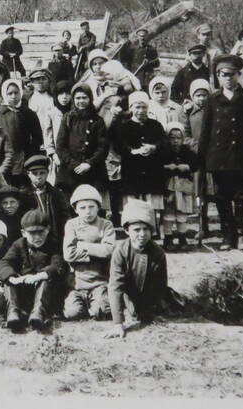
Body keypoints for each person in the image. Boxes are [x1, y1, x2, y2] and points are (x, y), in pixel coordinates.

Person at [198, 55, 243, 251]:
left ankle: (242, 234)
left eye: (231, 74)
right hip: (218, 158)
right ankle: (228, 234)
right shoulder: (212, 100)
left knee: (241, 197)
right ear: (218, 76)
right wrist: (202, 159)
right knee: (222, 197)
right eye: (223, 75)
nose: (227, 78)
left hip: (241, 157)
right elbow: (205, 131)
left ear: (238, 75)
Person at [104, 200, 169, 339]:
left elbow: (160, 284)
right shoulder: (120, 252)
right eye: (136, 230)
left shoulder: (158, 253)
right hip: (128, 293)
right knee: (105, 308)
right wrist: (118, 323)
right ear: (127, 231)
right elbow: (115, 286)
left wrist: (152, 309)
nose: (142, 234)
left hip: (148, 295)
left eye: (146, 229)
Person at [0, 209, 65, 332]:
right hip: (24, 290)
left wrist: (37, 277)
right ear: (23, 232)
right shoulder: (19, 244)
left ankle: (38, 314)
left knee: (45, 280)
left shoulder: (54, 244)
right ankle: (13, 312)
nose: (37, 237)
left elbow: (57, 266)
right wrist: (13, 277)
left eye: (41, 232)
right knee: (8, 280)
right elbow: (4, 262)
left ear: (48, 229)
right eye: (32, 233)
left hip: (46, 293)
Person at [115, 91, 170, 235]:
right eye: (137, 107)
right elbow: (118, 145)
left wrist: (153, 147)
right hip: (132, 170)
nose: (140, 111)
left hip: (152, 170)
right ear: (131, 108)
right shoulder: (124, 126)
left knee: (151, 202)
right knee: (133, 201)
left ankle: (153, 230)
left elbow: (164, 143)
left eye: (144, 107)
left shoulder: (155, 125)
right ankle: (133, 230)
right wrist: (131, 151)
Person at [62, 185, 115, 321]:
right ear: (75, 209)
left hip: (99, 281)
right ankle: (83, 303)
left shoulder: (106, 224)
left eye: (91, 207)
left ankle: (96, 303)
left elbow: (108, 251)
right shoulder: (71, 224)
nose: (88, 211)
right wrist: (96, 250)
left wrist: (82, 245)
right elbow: (69, 254)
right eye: (82, 208)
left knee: (102, 312)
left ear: (98, 207)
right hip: (77, 282)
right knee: (72, 313)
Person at [55, 83, 109, 196]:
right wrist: (74, 164)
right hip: (71, 170)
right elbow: (60, 146)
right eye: (77, 98)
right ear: (73, 99)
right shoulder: (68, 118)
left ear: (90, 98)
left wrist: (89, 163)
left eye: (84, 97)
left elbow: (103, 147)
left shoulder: (97, 121)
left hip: (93, 170)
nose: (81, 101)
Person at [0, 78, 44, 187]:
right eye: (10, 93)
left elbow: (37, 137)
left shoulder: (28, 113)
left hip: (24, 157)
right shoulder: (0, 113)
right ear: (4, 94)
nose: (14, 96)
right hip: (5, 156)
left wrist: (30, 153)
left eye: (16, 93)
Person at [19, 155, 70, 251]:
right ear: (28, 174)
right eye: (34, 173)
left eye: (42, 173)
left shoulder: (56, 193)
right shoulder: (23, 195)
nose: (38, 177)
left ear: (47, 173)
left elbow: (65, 215)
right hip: (34, 237)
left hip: (54, 237)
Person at [162, 123, 199, 252]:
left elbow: (195, 163)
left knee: (182, 212)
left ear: (183, 138)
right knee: (168, 212)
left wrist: (187, 167)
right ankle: (168, 237)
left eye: (178, 138)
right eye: (172, 138)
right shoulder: (164, 151)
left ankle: (182, 237)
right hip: (169, 186)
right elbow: (157, 164)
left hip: (184, 186)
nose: (176, 141)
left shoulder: (187, 151)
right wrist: (166, 167)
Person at [184, 79, 213, 243]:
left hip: (213, 157)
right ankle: (202, 225)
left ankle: (225, 224)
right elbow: (185, 135)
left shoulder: (213, 110)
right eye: (198, 95)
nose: (201, 99)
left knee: (216, 190)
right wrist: (197, 147)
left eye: (204, 95)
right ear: (192, 96)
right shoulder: (187, 112)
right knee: (199, 192)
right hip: (196, 158)